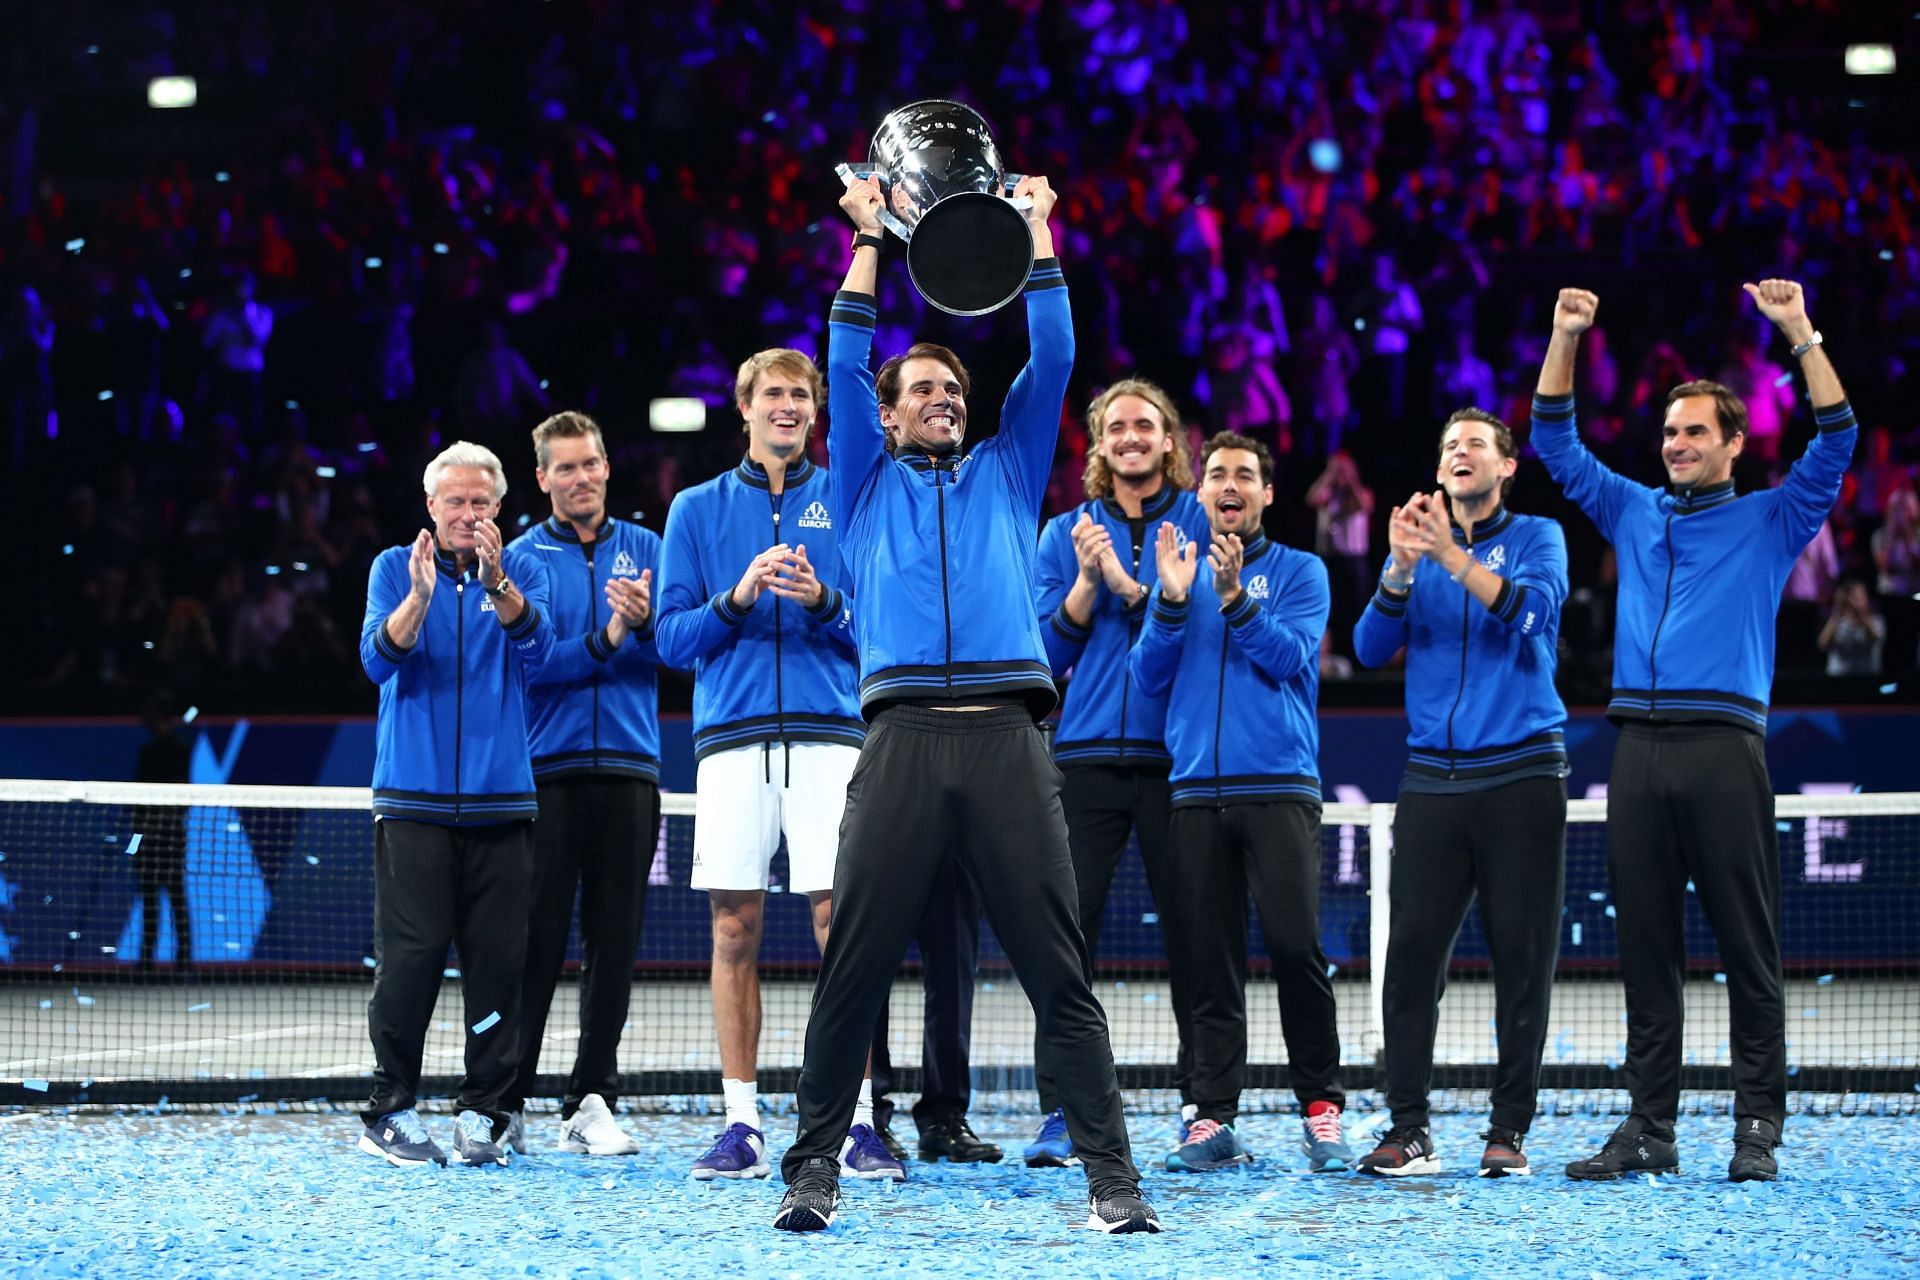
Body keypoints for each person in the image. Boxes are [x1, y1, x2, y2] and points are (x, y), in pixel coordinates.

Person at [772, 174, 1159, 1235]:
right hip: (896, 738)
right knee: (851, 967)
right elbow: (843, 360)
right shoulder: (858, 484)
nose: (945, 397)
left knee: (1058, 971)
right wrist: (868, 243)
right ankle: (812, 1171)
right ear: (888, 419)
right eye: (925, 390)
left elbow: (1058, 357)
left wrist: (1037, 228)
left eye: (954, 387)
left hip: (1007, 738)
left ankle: (1113, 1181)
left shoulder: (1008, 467)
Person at [1534, 280, 1857, 1183]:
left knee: (1748, 947)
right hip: (1637, 751)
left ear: (1733, 443)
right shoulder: (1633, 508)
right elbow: (1553, 439)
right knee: (1644, 950)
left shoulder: (1775, 517)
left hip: (1723, 750)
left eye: (1695, 433)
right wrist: (1567, 335)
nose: (1676, 445)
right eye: (1670, 433)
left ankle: (1756, 1128)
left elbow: (1839, 438)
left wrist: (1797, 331)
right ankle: (1652, 1128)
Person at [653, 349, 892, 1182]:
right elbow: (671, 639)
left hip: (831, 737)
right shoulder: (695, 510)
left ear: (814, 412)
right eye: (772, 395)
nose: (786, 407)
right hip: (731, 742)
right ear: (744, 409)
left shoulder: (853, 501)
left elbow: (882, 629)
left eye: (799, 395)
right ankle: (743, 1124)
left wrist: (823, 603)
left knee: (842, 929)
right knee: (733, 930)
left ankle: (858, 1124)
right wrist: (739, 598)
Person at [1351, 408, 1570, 1178]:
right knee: (1409, 959)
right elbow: (1369, 648)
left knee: (1522, 958)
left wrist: (1449, 555)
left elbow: (1532, 614)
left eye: (1476, 443)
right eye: (1448, 446)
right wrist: (1401, 570)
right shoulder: (1420, 554)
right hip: (1433, 779)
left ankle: (1508, 1130)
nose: (1460, 453)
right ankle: (1408, 1127)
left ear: (1507, 465)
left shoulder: (1540, 536)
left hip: (1522, 775)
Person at [1131, 431, 1353, 1176]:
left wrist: (1233, 602)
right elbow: (1146, 678)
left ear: (1266, 494)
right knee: (1208, 965)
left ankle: (1321, 1108)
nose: (1230, 485)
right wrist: (1168, 600)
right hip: (1194, 792)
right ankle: (1211, 1116)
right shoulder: (1178, 572)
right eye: (1217, 474)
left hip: (1279, 788)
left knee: (1297, 950)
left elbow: (1292, 659)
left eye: (1245, 476)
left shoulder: (1302, 572)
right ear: (1202, 493)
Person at [1023, 376, 1209, 1167]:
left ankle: (1204, 1106)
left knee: (1199, 938)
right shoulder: (1065, 532)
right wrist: (1083, 589)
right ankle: (1060, 1111)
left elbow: (1201, 624)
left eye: (1146, 424)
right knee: (1066, 941)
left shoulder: (1200, 519)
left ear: (1170, 440)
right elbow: (1040, 657)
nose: (1131, 437)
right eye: (1116, 428)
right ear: (1098, 446)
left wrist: (1134, 593)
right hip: (1087, 760)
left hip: (1183, 762)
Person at [356, 441, 553, 1168]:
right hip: (413, 803)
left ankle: (488, 1110)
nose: (468, 514)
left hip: (504, 805)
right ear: (431, 508)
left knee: (499, 966)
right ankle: (390, 1108)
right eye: (455, 502)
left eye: (480, 502)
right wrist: (418, 599)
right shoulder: (391, 569)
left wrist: (499, 583)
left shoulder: (521, 569)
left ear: (498, 509)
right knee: (409, 962)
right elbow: (378, 659)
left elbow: (544, 655)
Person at [499, 411, 663, 1158]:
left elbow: (691, 650)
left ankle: (591, 1098)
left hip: (630, 771)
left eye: (590, 463)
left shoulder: (651, 549)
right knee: (532, 942)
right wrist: (610, 638)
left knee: (614, 943)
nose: (580, 478)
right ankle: (505, 1099)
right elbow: (538, 662)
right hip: (545, 775)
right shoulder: (524, 561)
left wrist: (654, 623)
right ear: (542, 479)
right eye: (564, 468)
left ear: (606, 467)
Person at [132, 692, 193, 973]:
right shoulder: (146, 753)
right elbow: (137, 803)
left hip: (170, 839)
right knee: (149, 900)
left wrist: (158, 825)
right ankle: (145, 961)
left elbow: (181, 797)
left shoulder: (178, 750)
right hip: (144, 841)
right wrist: (134, 843)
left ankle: (183, 961)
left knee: (176, 897)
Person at [1818, 579, 1885, 677]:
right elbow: (1823, 645)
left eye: (1858, 597)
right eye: (1851, 597)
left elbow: (1876, 638)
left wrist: (1860, 614)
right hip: (1838, 680)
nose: (1853, 602)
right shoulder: (1835, 623)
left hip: (1866, 679)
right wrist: (1838, 611)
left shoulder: (1877, 620)